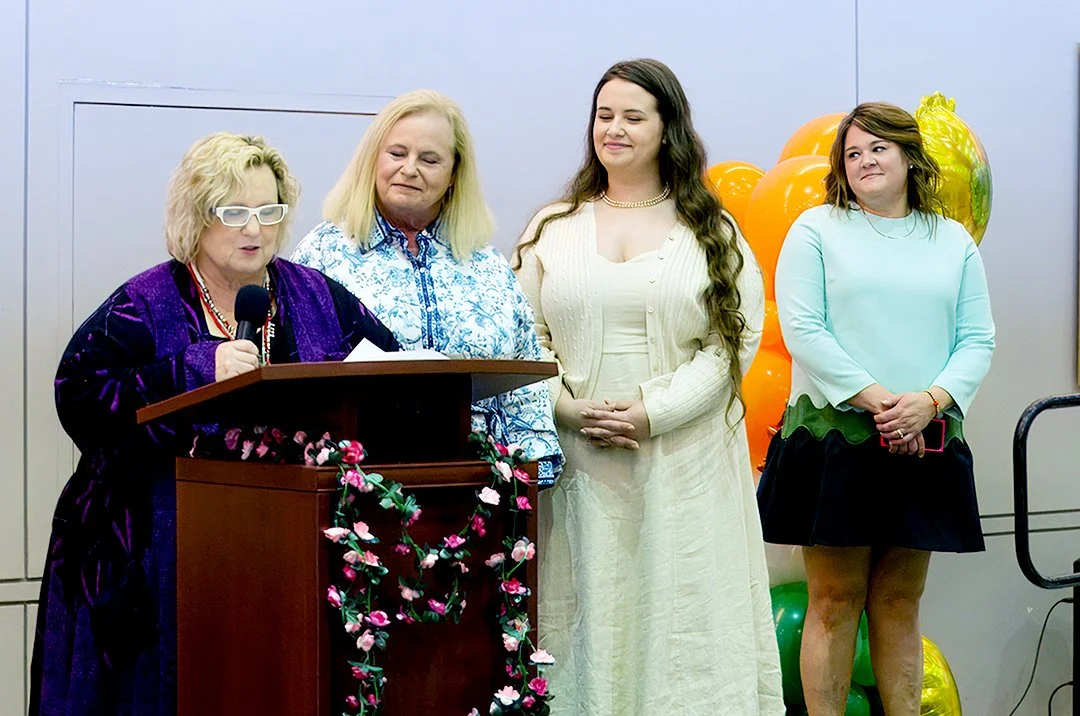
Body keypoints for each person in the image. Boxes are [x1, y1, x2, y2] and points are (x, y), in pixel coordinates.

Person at [29, 132, 399, 715]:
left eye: (268, 212)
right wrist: (193, 367)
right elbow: (76, 393)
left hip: (283, 549)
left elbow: (392, 373)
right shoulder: (143, 303)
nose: (254, 230)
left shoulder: (317, 296)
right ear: (197, 218)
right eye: (233, 212)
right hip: (151, 555)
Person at [513, 58, 784, 715]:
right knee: (588, 617)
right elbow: (521, 338)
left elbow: (731, 346)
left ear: (669, 130)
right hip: (576, 462)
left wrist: (651, 413)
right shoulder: (553, 226)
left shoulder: (713, 232)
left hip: (682, 463)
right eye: (604, 115)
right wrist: (568, 409)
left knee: (681, 618)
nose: (615, 128)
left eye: (633, 116)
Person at [756, 102, 995, 715]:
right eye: (852, 152)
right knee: (833, 603)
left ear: (911, 157)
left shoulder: (952, 240)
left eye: (877, 148)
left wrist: (930, 402)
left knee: (899, 603)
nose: (863, 161)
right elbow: (805, 329)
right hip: (836, 440)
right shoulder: (816, 229)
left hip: (926, 439)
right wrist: (882, 402)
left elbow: (977, 340)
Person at [291, 89, 562, 483]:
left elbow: (523, 370)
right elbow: (297, 372)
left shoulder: (485, 262)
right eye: (397, 154)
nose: (410, 169)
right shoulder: (323, 253)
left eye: (429, 159)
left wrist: (536, 463)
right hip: (357, 484)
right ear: (373, 161)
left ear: (454, 175)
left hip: (482, 486)